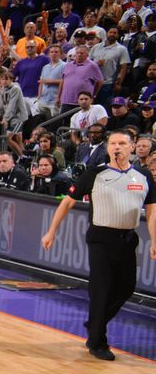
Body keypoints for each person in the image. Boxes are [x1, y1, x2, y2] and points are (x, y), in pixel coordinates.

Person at [42, 130, 156, 361]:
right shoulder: (95, 173)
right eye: (113, 143)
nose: (117, 147)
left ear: (131, 147)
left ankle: (96, 322)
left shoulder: (144, 176)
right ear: (107, 148)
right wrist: (51, 230)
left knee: (126, 287)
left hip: (128, 238)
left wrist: (155, 240)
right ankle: (97, 341)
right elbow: (68, 202)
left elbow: (152, 210)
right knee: (101, 289)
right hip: (100, 238)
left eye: (122, 143)